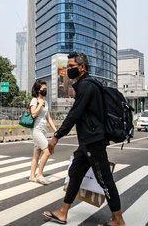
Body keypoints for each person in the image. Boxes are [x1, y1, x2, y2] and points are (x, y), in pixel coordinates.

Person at [43, 52, 125, 226]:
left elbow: (75, 114)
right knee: (76, 173)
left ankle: (118, 219)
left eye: (71, 66)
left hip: (93, 141)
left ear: (82, 67)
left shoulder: (87, 86)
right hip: (88, 141)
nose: (68, 70)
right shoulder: (88, 84)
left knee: (105, 180)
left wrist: (56, 136)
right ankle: (63, 212)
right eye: (67, 67)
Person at [28, 80, 57, 185]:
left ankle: (32, 176)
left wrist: (56, 130)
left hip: (43, 130)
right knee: (47, 151)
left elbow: (48, 118)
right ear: (38, 89)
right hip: (36, 129)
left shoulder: (46, 102)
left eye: (46, 88)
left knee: (36, 154)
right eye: (43, 88)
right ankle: (40, 175)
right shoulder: (34, 100)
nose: (45, 90)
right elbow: (33, 114)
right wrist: (40, 104)